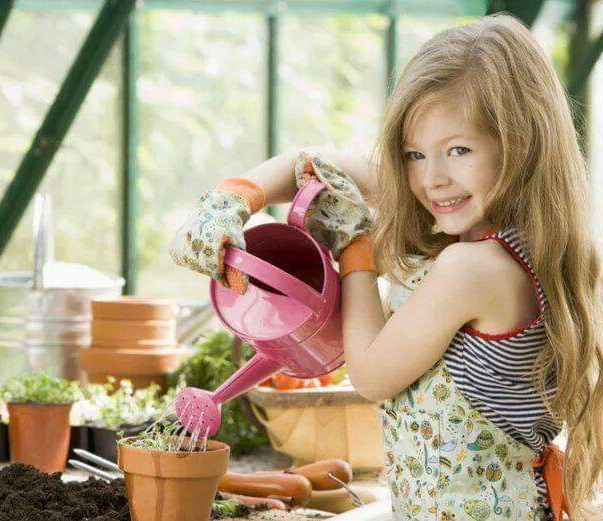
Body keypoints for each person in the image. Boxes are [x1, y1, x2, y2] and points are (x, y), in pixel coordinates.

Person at [168, 13, 603, 520]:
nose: (433, 178)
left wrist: (357, 250)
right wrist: (235, 197)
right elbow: (319, 165)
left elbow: (372, 375)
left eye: (458, 150)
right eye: (414, 154)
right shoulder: (518, 239)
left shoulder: (473, 268)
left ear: (521, 144)